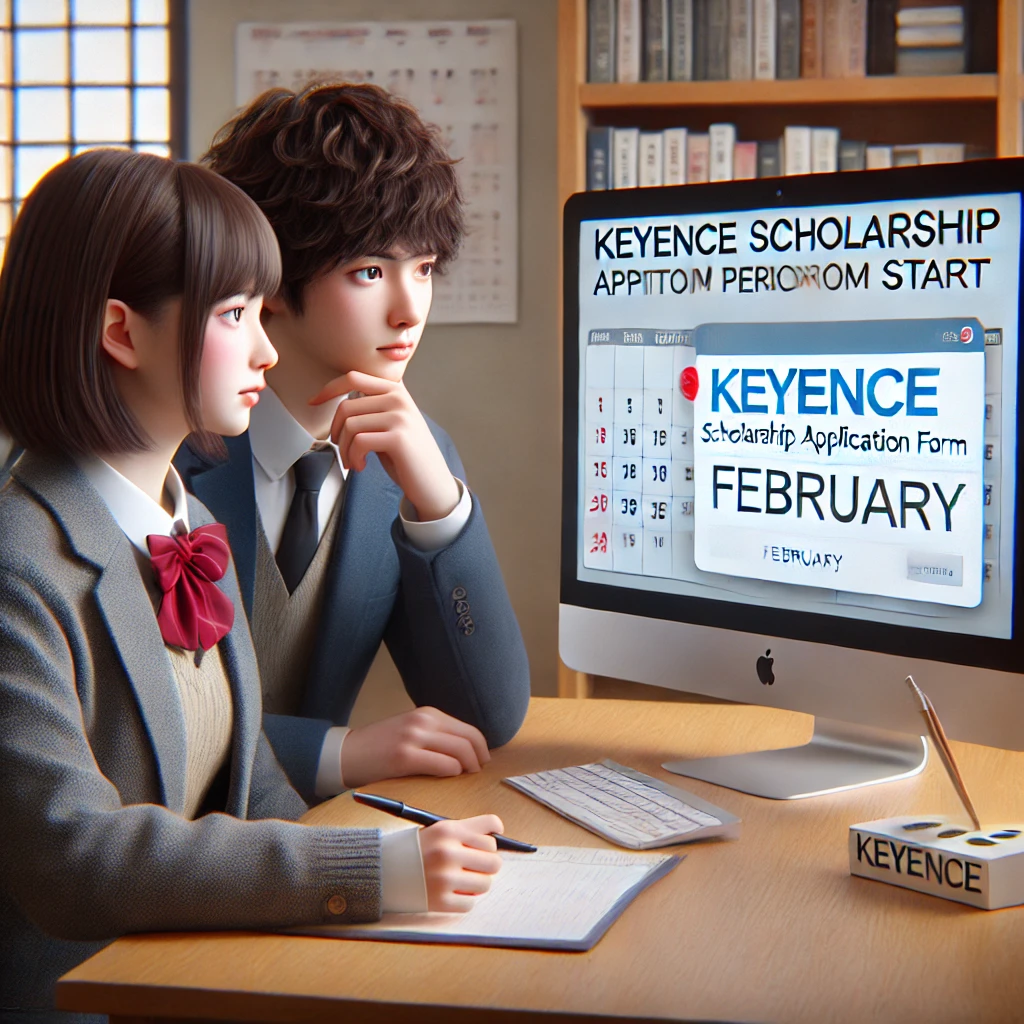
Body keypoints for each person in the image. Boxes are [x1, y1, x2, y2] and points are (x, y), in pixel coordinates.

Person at [0, 149, 504, 1023]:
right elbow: (72, 858)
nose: (268, 349)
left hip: (204, 976)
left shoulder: (186, 518)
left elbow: (254, 785)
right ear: (122, 333)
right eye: (236, 313)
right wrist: (369, 872)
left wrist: (381, 864)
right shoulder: (20, 561)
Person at [175, 81, 531, 804]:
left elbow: (486, 715)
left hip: (311, 857)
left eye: (424, 269)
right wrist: (337, 753)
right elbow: (142, 727)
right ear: (269, 280)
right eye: (369, 271)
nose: (409, 310)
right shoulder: (169, 448)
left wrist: (439, 506)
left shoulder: (413, 455)